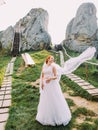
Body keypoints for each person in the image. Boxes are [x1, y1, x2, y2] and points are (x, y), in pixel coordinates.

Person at [36, 46, 96, 126]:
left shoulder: (53, 66)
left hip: (52, 84)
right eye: (50, 58)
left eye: (53, 59)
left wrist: (50, 78)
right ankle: (45, 116)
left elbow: (55, 76)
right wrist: (42, 83)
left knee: (54, 99)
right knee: (46, 99)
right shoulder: (44, 66)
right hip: (46, 85)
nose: (52, 60)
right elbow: (42, 75)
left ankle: (58, 116)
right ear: (48, 59)